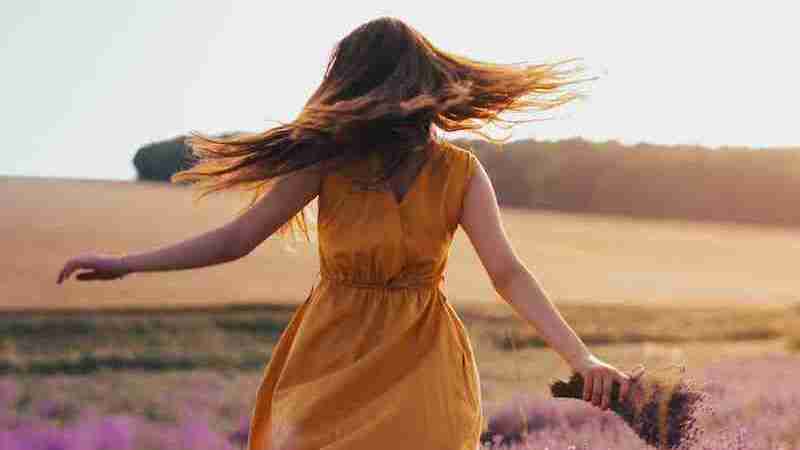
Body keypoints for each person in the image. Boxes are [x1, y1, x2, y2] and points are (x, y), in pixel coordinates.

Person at [57, 17, 641, 450]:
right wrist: (128, 263)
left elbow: (508, 274)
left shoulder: (460, 172)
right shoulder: (327, 164)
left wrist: (581, 356)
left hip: (422, 362)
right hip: (330, 361)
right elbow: (237, 239)